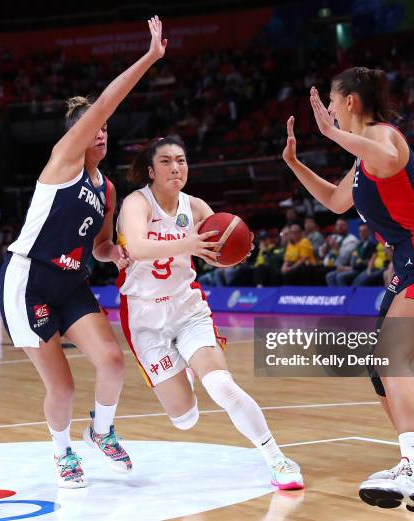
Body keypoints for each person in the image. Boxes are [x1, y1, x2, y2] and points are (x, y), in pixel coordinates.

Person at [283, 66, 414, 513]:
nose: (328, 110)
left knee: (391, 355)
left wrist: (331, 134)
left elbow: (387, 159)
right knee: (379, 366)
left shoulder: (384, 137)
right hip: (411, 263)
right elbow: (334, 201)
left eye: (332, 102)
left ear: (349, 101)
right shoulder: (360, 159)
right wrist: (294, 163)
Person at [0, 17, 167, 488]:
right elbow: (109, 98)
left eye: (106, 128)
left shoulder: (107, 188)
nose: (102, 132)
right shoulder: (65, 158)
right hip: (28, 279)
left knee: (112, 361)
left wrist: (117, 255)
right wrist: (151, 57)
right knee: (63, 386)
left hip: (70, 280)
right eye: (95, 126)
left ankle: (102, 430)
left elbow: (101, 244)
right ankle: (63, 452)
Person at [116, 135, 304, 490]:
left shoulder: (196, 206)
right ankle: (181, 374)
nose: (176, 168)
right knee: (184, 419)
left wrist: (236, 247)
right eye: (167, 161)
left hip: (187, 308)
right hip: (144, 318)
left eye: (182, 161)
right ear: (151, 170)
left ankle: (277, 459)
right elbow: (138, 246)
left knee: (221, 384)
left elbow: (223, 235)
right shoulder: (135, 204)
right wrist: (188, 243)